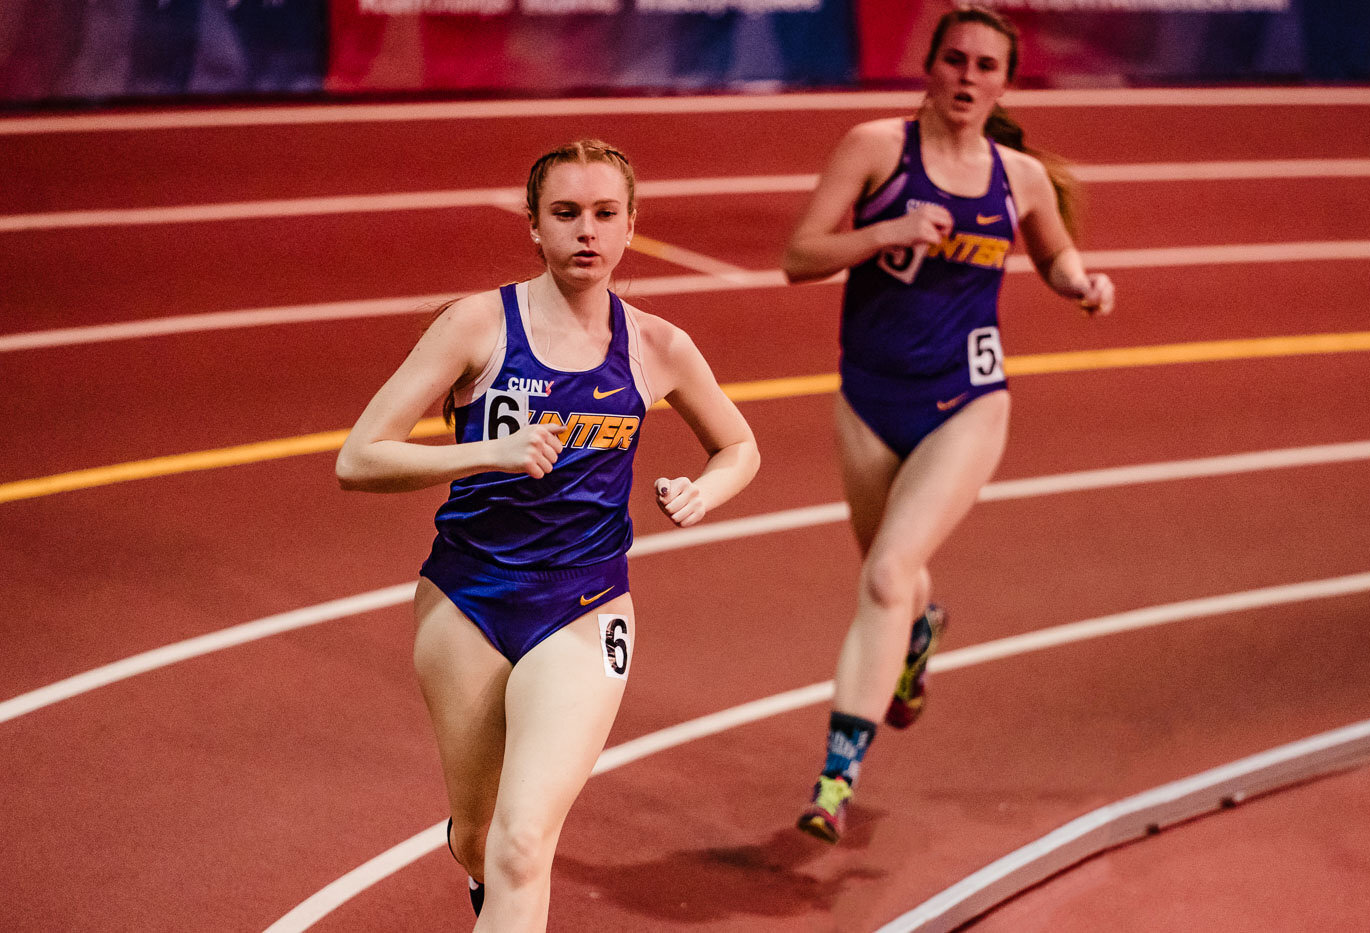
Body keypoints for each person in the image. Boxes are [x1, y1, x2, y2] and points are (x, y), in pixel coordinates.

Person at [336, 139, 759, 926]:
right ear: (534, 225)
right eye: (565, 213)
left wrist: (705, 490)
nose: (586, 232)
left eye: (605, 214)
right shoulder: (477, 324)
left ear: (633, 227)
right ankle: (477, 872)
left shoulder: (659, 346)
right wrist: (484, 451)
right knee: (479, 834)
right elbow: (358, 458)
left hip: (586, 603)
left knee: (525, 842)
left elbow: (740, 444)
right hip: (465, 597)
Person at [781, 5, 1115, 844]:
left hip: (968, 400)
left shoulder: (1020, 177)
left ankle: (835, 778)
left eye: (987, 67)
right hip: (869, 399)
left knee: (889, 572)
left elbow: (1052, 252)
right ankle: (920, 634)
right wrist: (887, 229)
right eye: (956, 61)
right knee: (896, 582)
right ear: (929, 67)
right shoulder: (875, 149)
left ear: (1006, 82)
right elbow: (799, 257)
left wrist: (1081, 283)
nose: (969, 78)